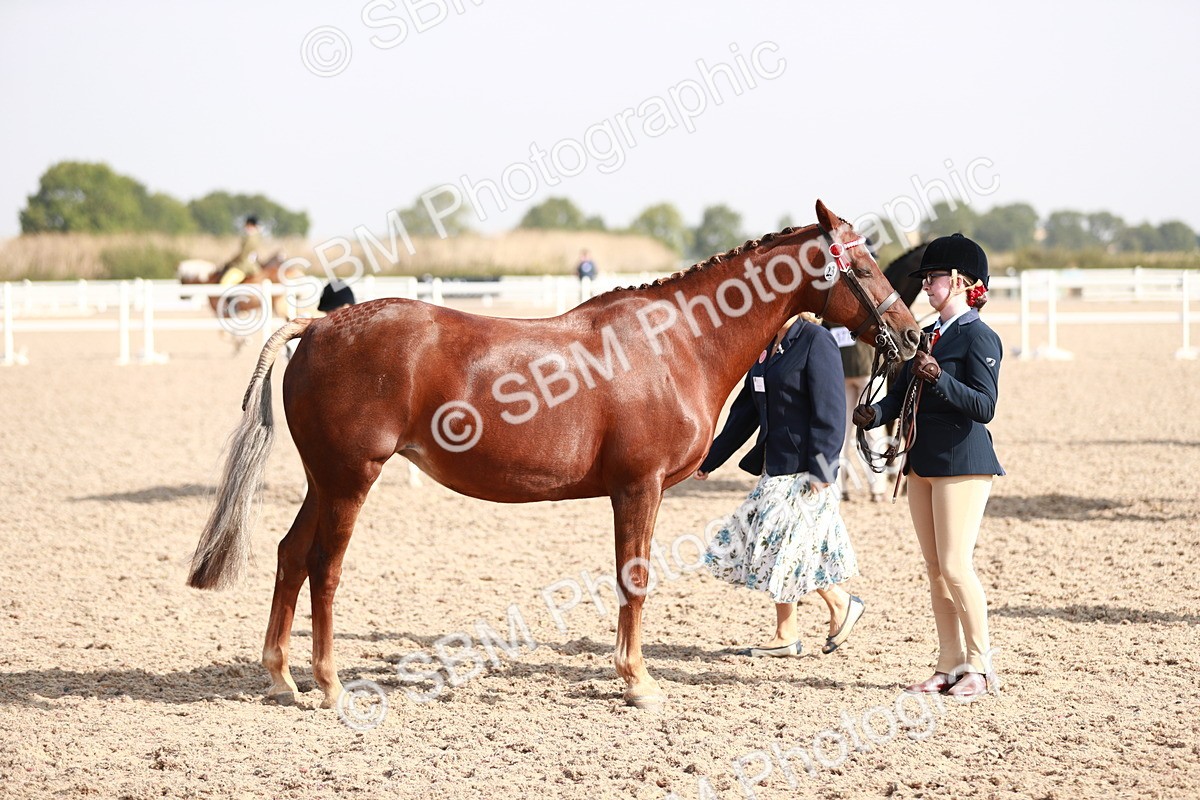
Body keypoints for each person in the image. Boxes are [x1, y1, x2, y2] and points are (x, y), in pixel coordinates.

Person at [853, 233, 1003, 700]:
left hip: (963, 461)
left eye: (934, 278)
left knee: (957, 565)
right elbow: (901, 394)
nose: (928, 286)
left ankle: (980, 665)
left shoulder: (979, 336)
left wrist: (939, 379)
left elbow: (984, 406)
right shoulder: (927, 333)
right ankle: (948, 663)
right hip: (922, 461)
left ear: (960, 282)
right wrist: (874, 414)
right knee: (935, 569)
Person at [695, 315, 865, 657]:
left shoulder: (816, 340)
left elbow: (830, 410)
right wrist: (708, 458)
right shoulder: (765, 344)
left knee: (778, 548)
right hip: (775, 467)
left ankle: (841, 603)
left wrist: (822, 469)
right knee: (785, 553)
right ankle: (787, 633)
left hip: (806, 472)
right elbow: (745, 412)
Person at [824, 322, 888, 502]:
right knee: (873, 431)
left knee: (841, 432)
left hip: (842, 369)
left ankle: (839, 487)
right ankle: (878, 488)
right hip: (868, 368)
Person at [219, 216, 262, 286]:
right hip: (253, 266)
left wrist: (229, 263)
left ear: (250, 225)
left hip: (243, 266)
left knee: (225, 282)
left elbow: (242, 255)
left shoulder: (250, 238)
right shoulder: (256, 237)